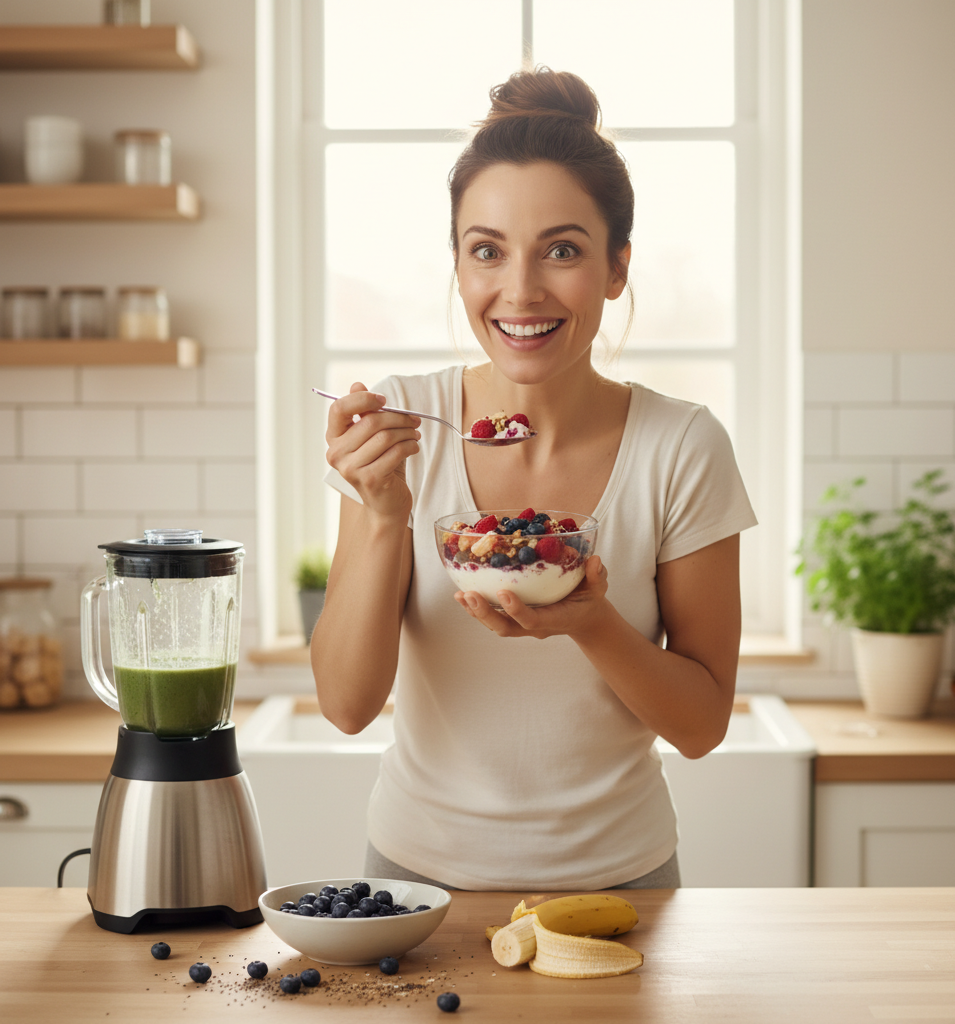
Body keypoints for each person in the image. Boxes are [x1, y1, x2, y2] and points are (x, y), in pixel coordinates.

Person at [312, 67, 757, 891]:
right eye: (487, 251)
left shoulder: (683, 445)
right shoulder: (403, 427)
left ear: (617, 267)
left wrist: (590, 622)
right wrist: (383, 515)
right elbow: (344, 705)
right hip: (416, 886)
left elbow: (700, 726)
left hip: (620, 887)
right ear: (457, 266)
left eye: (562, 250)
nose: (520, 291)